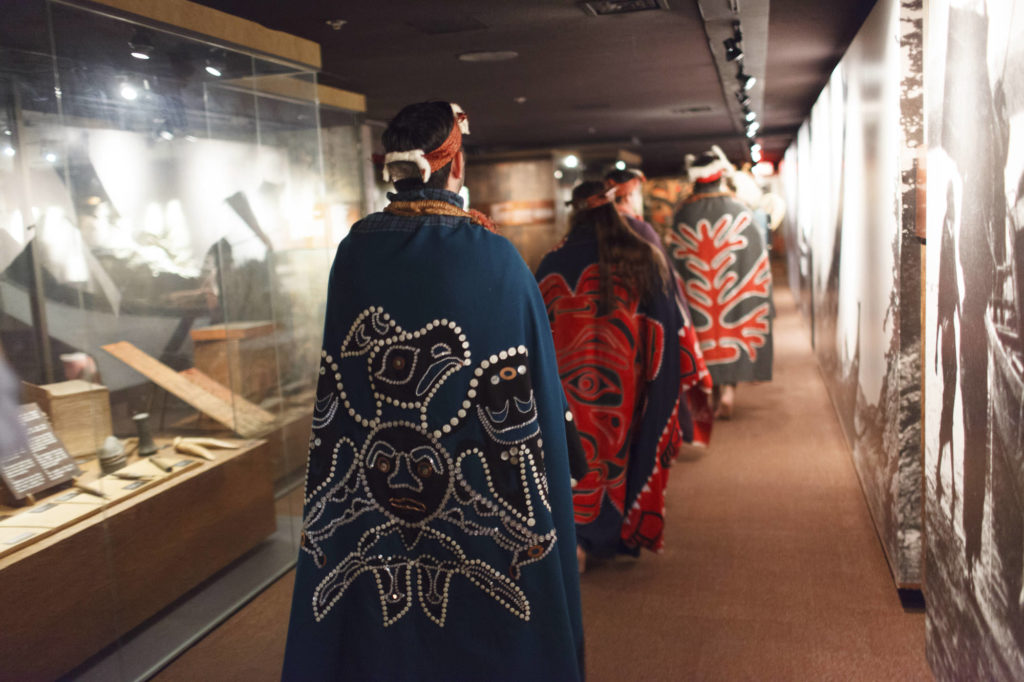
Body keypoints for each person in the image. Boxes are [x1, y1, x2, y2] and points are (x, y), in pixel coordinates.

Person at [282, 101, 585, 681]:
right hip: (478, 488)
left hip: (374, 486)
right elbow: (533, 373)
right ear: (455, 164)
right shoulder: (494, 256)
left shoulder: (354, 252)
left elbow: (340, 387)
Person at [536, 181, 685, 572]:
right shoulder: (643, 258)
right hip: (629, 385)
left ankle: (579, 541)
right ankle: (621, 532)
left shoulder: (552, 262)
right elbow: (666, 330)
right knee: (624, 451)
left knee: (578, 455)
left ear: (576, 212)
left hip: (569, 389)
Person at [606, 168, 715, 445]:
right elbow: (665, 282)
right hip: (644, 322)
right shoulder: (639, 229)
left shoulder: (598, 231)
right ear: (630, 193)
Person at [667, 146, 773, 419]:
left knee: (704, 340)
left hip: (695, 293)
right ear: (720, 176)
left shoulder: (682, 215)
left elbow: (673, 261)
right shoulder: (741, 210)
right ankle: (728, 392)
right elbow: (758, 260)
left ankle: (714, 396)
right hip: (735, 291)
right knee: (733, 332)